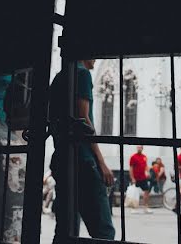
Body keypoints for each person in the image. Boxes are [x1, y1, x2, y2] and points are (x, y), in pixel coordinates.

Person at [48, 60, 115, 241]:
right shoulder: (82, 74)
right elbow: (82, 119)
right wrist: (102, 163)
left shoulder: (60, 77)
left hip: (62, 158)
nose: (96, 59)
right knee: (104, 232)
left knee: (66, 229)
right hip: (83, 160)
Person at [128, 145, 153, 213]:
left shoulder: (144, 157)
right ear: (137, 148)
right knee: (134, 193)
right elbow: (131, 168)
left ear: (142, 148)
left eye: (140, 147)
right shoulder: (133, 157)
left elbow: (145, 166)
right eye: (138, 147)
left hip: (143, 177)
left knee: (146, 191)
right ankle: (134, 208)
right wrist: (132, 178)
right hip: (136, 178)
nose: (139, 148)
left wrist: (148, 173)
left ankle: (146, 207)